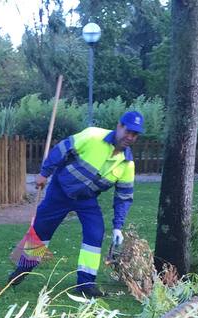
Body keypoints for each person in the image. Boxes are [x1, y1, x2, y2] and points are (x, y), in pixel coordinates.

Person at [9, 110, 142, 297]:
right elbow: (61, 150)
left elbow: (124, 197)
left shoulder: (127, 165)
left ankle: (86, 283)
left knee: (95, 233)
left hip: (86, 199)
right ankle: (22, 270)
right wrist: (44, 173)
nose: (130, 137)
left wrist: (118, 227)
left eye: (135, 134)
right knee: (40, 231)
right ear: (119, 126)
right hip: (60, 191)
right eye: (128, 131)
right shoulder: (92, 136)